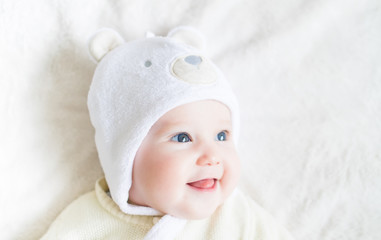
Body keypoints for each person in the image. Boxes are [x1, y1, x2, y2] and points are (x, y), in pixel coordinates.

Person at [41, 26, 294, 240]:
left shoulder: (239, 217)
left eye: (222, 136)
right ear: (126, 155)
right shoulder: (86, 224)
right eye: (183, 137)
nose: (212, 157)